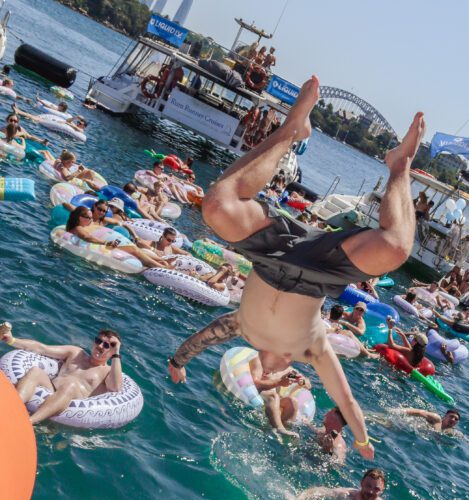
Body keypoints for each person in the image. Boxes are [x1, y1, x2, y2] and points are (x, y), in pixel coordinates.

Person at [167, 76, 427, 460]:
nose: (265, 379)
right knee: (396, 248)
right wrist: (361, 439)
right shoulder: (312, 350)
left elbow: (206, 336)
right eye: (272, 381)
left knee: (217, 208)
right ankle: (397, 165)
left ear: (256, 372)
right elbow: (347, 399)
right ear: (289, 374)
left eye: (261, 380)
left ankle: (295, 129)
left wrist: (177, 362)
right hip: (322, 271)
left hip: (269, 255)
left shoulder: (244, 329)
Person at [0, 326, 123, 425]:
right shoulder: (76, 353)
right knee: (35, 371)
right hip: (51, 389)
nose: (100, 346)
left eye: (106, 345)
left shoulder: (107, 371)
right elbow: (42, 348)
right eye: (98, 341)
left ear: (112, 352)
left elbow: (115, 388)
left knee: (71, 386)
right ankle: (9, 411)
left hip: (71, 405)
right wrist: (12, 340)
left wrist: (116, 351)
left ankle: (27, 423)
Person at [65, 207, 171, 269]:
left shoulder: (86, 225)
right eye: (88, 218)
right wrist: (106, 243)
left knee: (134, 248)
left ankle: (162, 260)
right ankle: (160, 266)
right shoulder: (78, 228)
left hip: (106, 244)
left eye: (91, 217)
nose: (91, 219)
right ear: (80, 218)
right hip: (102, 246)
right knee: (134, 250)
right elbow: (87, 238)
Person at [248, 352, 310, 437]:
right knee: (273, 396)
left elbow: (307, 384)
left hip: (274, 402)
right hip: (260, 394)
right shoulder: (260, 361)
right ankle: (279, 429)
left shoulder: (286, 371)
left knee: (292, 401)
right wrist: (279, 382)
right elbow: (255, 384)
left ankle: (286, 432)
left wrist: (301, 381)